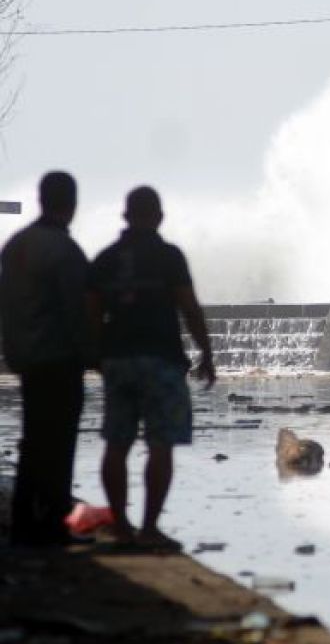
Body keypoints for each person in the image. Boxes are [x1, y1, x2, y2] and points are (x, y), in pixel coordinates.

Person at [86, 186, 215, 548]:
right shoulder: (169, 256)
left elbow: (92, 314)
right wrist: (207, 353)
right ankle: (149, 528)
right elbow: (188, 307)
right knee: (161, 445)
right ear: (159, 216)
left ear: (125, 216)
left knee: (116, 443)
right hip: (161, 360)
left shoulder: (106, 259)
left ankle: (122, 527)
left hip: (118, 361)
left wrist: (96, 356)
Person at [0, 171, 90, 546]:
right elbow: (77, 312)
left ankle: (23, 517)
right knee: (59, 442)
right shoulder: (64, 251)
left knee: (33, 438)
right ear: (71, 204)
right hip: (59, 360)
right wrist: (93, 356)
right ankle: (52, 520)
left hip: (25, 357)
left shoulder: (15, 245)